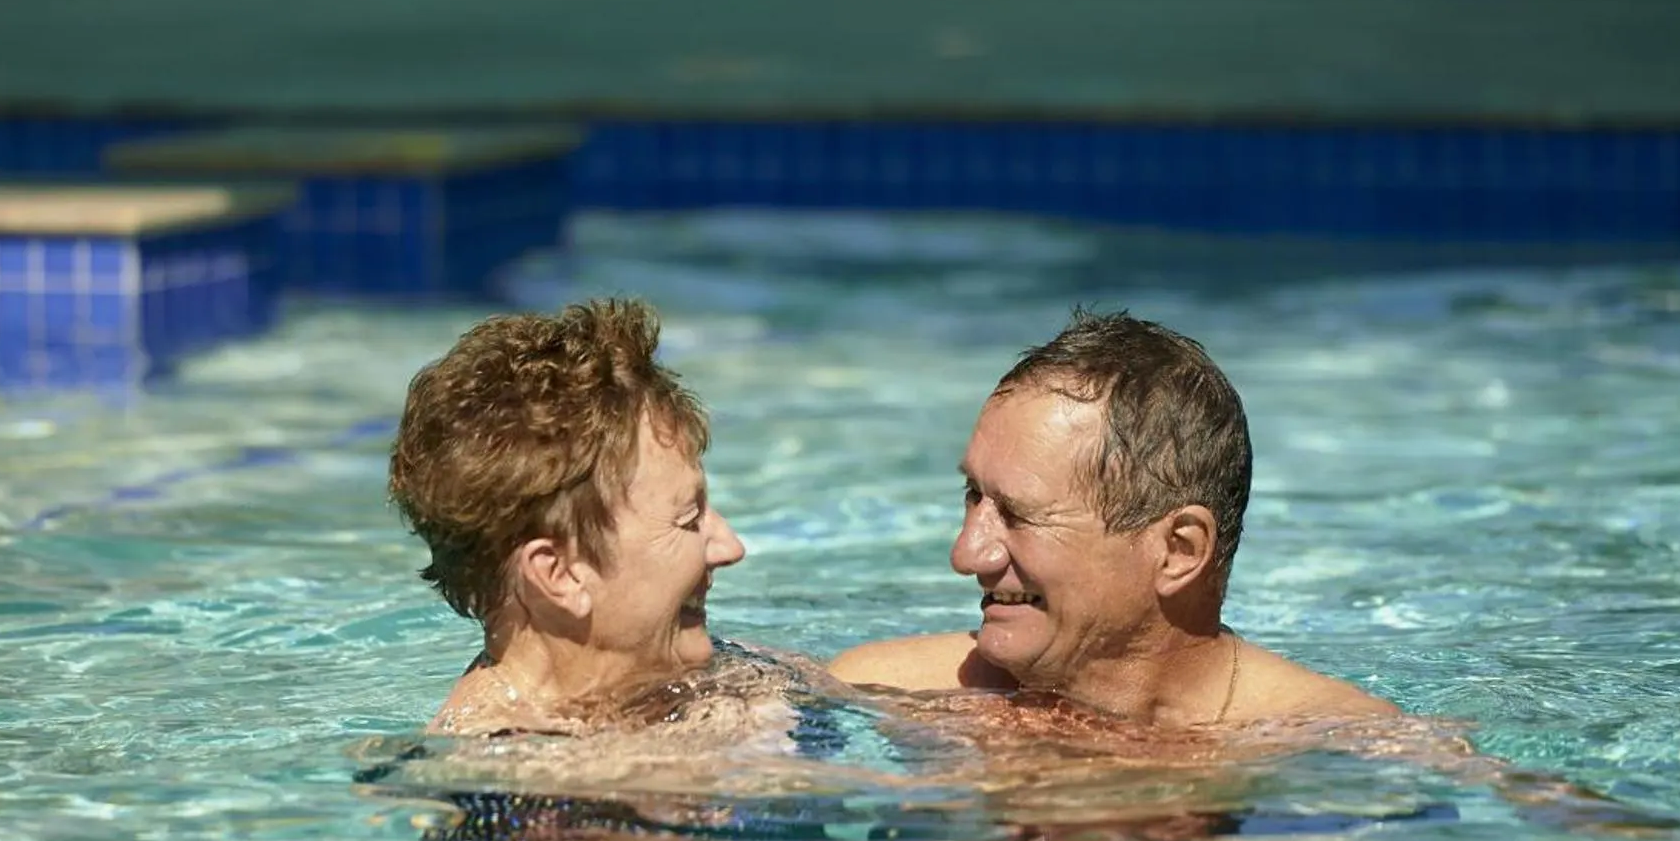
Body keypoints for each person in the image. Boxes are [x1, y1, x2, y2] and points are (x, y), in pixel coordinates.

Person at [831, 309, 1398, 728]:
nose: (967, 554)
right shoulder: (878, 695)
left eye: (1020, 515)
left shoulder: (1336, 751)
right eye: (973, 495)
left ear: (1178, 550)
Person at [388, 297, 749, 735]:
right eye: (688, 519)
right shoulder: (511, 769)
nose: (731, 547)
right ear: (558, 573)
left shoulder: (670, 679)